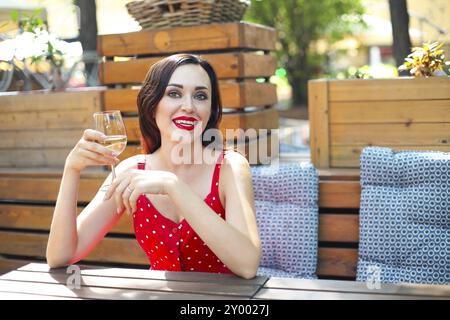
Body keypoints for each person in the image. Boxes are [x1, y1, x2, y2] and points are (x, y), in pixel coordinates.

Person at [46, 54, 261, 279]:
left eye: (200, 96)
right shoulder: (132, 172)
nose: (188, 106)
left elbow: (247, 265)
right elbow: (60, 256)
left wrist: (172, 186)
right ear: (152, 105)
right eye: (174, 93)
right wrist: (71, 170)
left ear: (210, 110)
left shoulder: (229, 167)